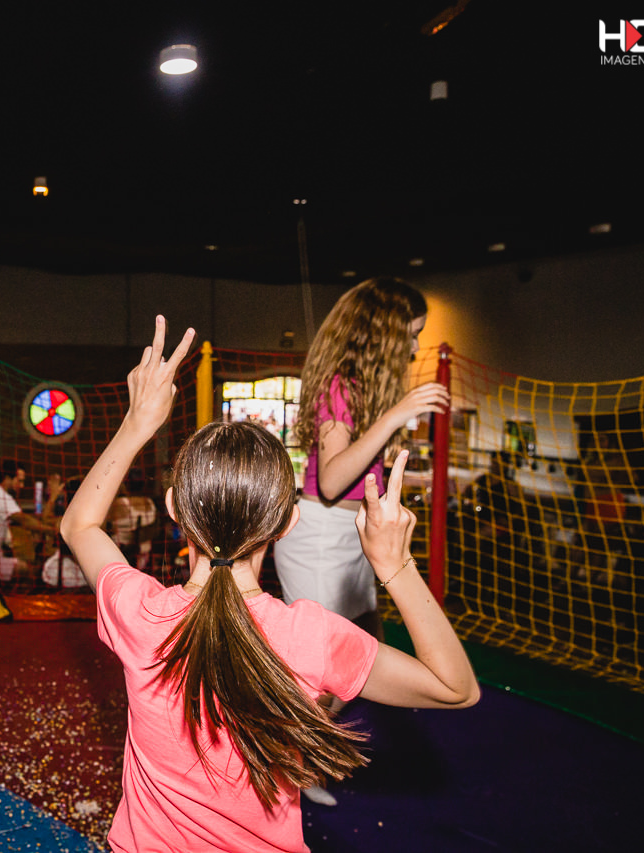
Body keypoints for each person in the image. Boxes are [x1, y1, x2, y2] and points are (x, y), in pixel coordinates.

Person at [59, 316, 479, 853]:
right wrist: (395, 565)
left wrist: (138, 422)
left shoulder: (140, 613)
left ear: (173, 509)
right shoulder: (312, 636)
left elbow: (79, 525)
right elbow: (455, 689)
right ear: (287, 522)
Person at [270, 277, 449, 805]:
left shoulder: (364, 389)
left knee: (365, 646)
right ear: (383, 334)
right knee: (324, 670)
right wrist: (396, 416)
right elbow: (330, 481)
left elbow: (358, 471)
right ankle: (290, 765)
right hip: (320, 539)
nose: (414, 347)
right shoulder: (340, 386)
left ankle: (295, 747)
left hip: (352, 536)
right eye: (410, 335)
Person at [0, 459, 59, 581]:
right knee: (25, 569)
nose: (22, 486)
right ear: (7, 478)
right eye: (19, 481)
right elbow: (24, 520)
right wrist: (54, 532)